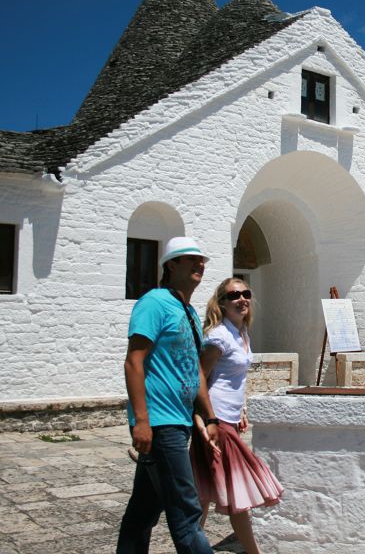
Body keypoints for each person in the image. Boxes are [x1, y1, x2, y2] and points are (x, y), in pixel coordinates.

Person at [117, 236, 220, 554]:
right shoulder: (154, 303)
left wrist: (210, 416)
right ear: (171, 265)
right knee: (187, 515)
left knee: (143, 511)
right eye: (191, 259)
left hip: (180, 421)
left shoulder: (187, 311)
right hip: (161, 424)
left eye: (201, 260)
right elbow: (134, 361)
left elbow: (194, 371)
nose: (199, 265)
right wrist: (142, 421)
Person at [190, 278, 283, 554]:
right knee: (235, 490)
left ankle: (189, 547)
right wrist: (208, 421)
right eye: (234, 295)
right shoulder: (219, 336)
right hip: (214, 421)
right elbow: (200, 378)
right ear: (221, 302)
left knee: (203, 493)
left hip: (227, 418)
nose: (242, 299)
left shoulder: (241, 333)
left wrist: (240, 409)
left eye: (246, 293)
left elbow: (233, 380)